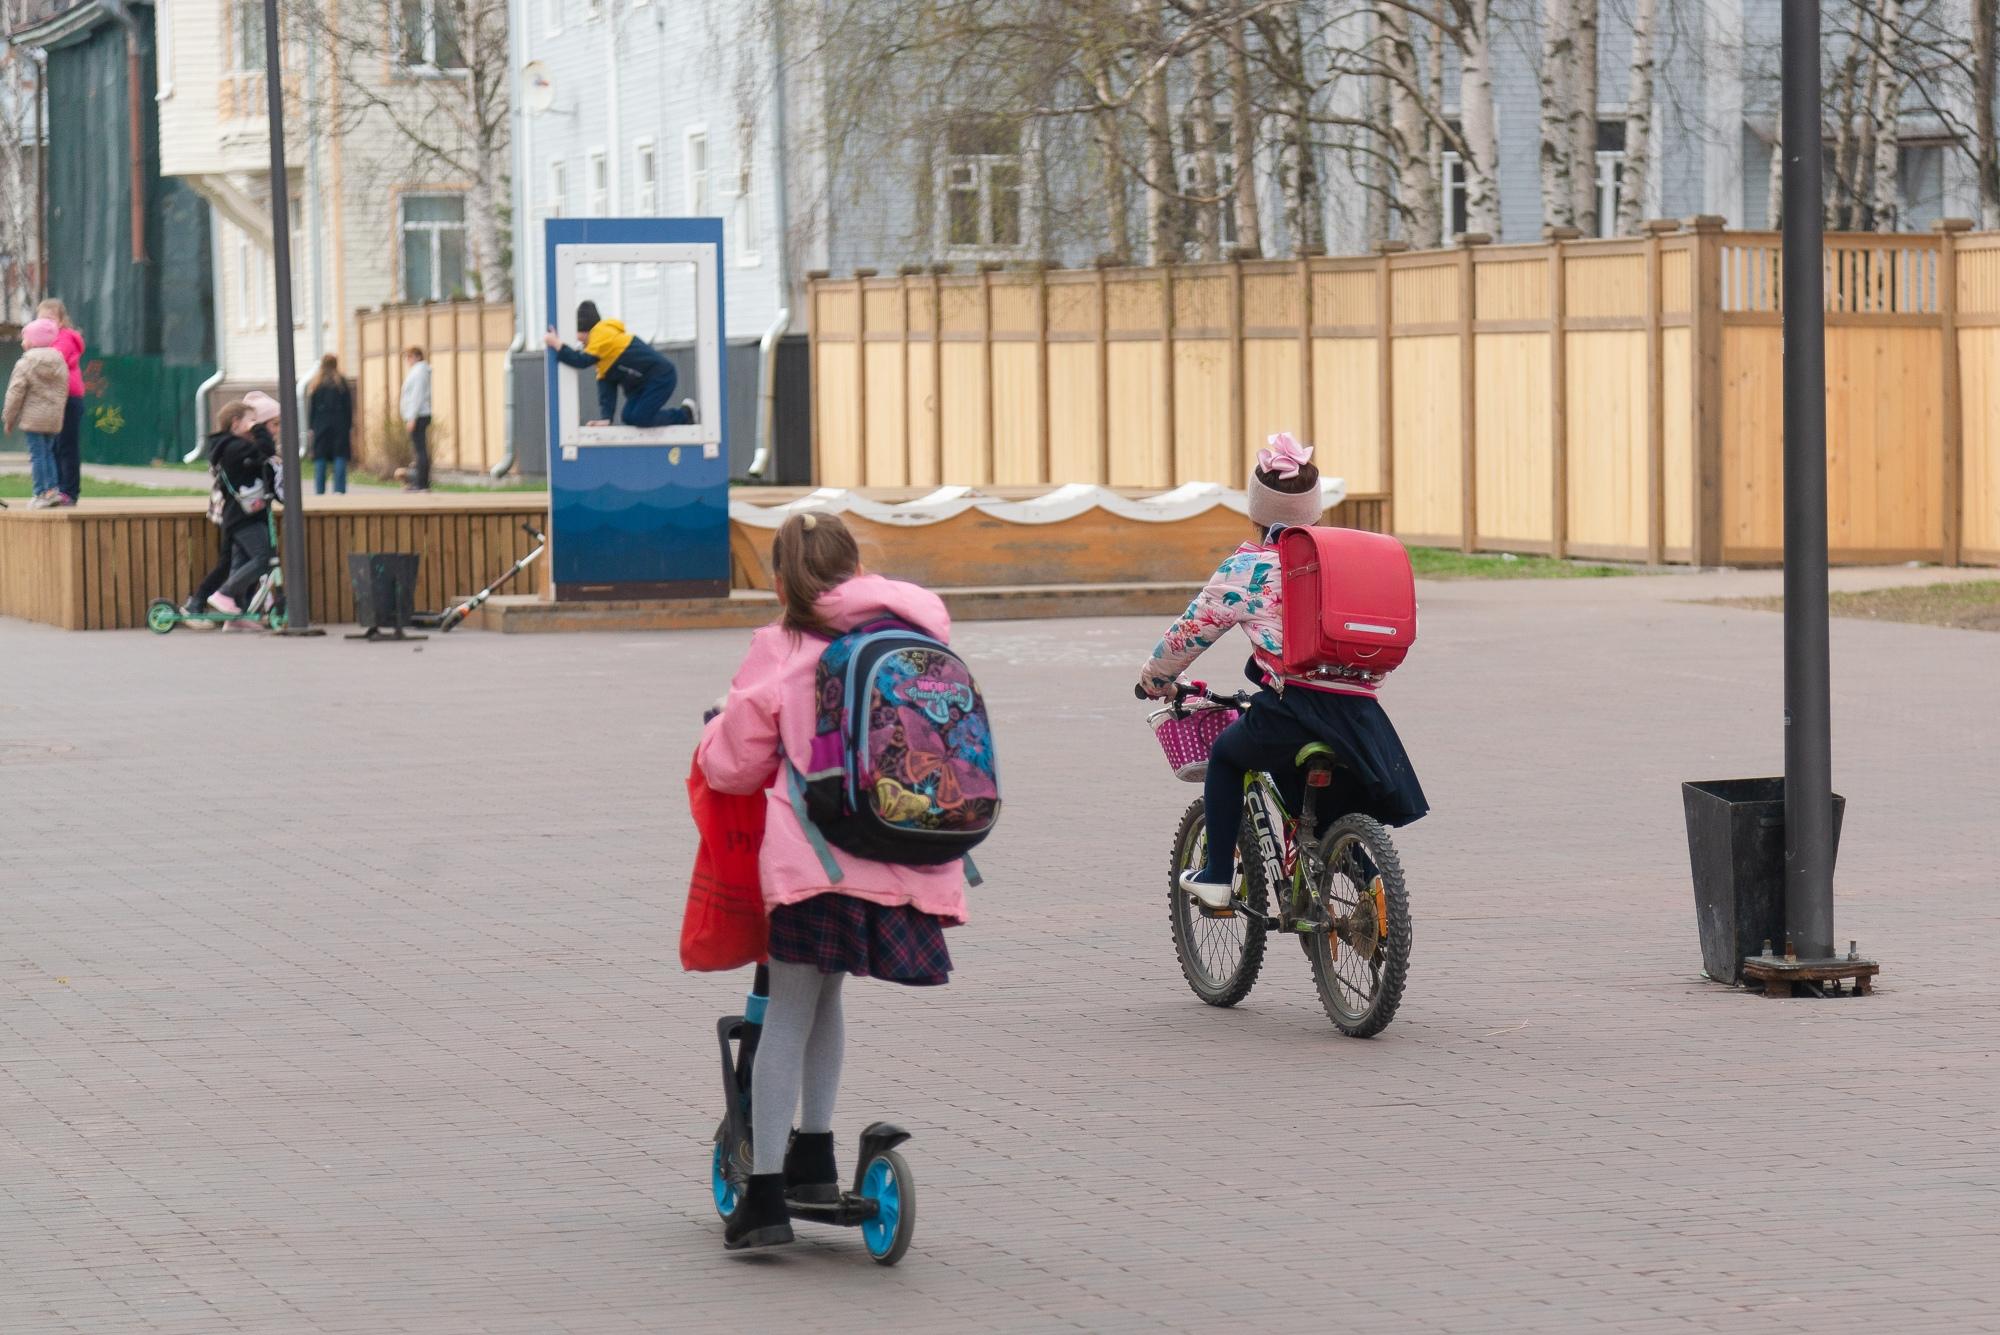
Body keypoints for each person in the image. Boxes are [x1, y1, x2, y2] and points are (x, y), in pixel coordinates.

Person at [695, 511, 965, 1251]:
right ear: (855, 568)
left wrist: (716, 726)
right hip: (897, 849)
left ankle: (768, 1194)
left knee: (787, 1008)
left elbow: (734, 764)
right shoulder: (911, 631)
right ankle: (816, 1150)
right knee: (828, 996)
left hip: (814, 858)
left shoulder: (780, 645)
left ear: (781, 580)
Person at [1137, 432, 1428, 908]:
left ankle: (1214, 876)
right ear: (1314, 510)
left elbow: (1191, 631)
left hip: (1293, 708)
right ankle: (1374, 896)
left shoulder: (1249, 567)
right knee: (1331, 810)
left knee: (1229, 757)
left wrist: (1155, 677)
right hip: (1361, 713)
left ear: (1257, 511)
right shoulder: (1350, 563)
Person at [542, 301, 699, 429]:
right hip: (642, 385)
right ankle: (682, 415)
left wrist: (556, 344)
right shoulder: (602, 356)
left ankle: (685, 415)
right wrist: (606, 418)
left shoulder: (602, 334)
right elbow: (606, 387)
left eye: (579, 336)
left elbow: (580, 361)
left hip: (661, 376)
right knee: (628, 416)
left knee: (640, 417)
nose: (579, 342)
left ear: (586, 330)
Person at [204, 399, 279, 618]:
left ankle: (237, 617)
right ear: (236, 423)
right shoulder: (233, 447)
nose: (256, 426)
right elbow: (266, 450)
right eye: (251, 420)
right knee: (263, 558)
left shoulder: (236, 447)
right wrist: (258, 429)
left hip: (245, 515)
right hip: (242, 517)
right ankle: (223, 594)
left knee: (242, 563)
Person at [3, 318, 71, 508]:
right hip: (54, 418)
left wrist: (9, 418)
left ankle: (41, 492)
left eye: (24, 339)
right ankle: (52, 490)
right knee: (48, 453)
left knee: (38, 455)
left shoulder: (25, 363)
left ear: (32, 342)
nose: (22, 342)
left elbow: (15, 393)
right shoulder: (60, 362)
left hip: (33, 418)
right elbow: (64, 389)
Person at [35, 298, 84, 505]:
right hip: (53, 399)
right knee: (53, 445)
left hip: (68, 398)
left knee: (66, 445)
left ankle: (69, 491)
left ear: (61, 321)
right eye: (42, 319)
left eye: (50, 318)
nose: (46, 322)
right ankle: (55, 489)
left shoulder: (65, 338)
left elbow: (54, 359)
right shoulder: (45, 341)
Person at [307, 354, 354, 494]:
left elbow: (312, 408)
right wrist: (349, 425)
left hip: (321, 424)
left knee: (320, 457)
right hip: (340, 424)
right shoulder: (342, 383)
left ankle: (319, 491)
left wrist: (311, 426)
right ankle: (339, 490)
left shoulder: (316, 384)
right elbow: (349, 407)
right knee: (339, 455)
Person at [399, 346, 432, 491]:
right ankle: (419, 481)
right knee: (418, 450)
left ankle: (421, 482)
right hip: (418, 415)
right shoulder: (417, 371)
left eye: (410, 357)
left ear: (418, 356)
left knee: (420, 450)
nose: (408, 360)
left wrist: (412, 417)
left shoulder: (419, 372)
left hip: (419, 415)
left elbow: (416, 396)